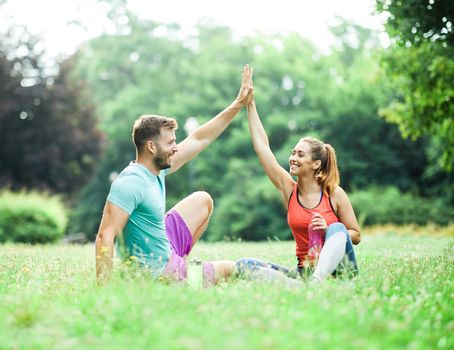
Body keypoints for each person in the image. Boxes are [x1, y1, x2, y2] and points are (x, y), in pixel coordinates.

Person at [95, 65, 253, 285]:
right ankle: (180, 278)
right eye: (170, 143)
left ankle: (181, 264)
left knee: (202, 200)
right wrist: (103, 290)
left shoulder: (156, 169)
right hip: (157, 276)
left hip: (165, 248)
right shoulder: (130, 183)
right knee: (229, 268)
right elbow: (105, 235)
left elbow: (199, 139)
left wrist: (237, 104)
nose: (176, 147)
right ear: (151, 146)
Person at [236, 69, 361, 283]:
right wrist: (250, 104)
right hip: (305, 271)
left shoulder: (334, 194)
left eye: (300, 154)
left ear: (316, 164)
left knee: (338, 227)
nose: (293, 157)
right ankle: (302, 285)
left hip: (339, 272)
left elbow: (356, 235)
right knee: (243, 265)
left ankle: (316, 282)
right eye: (293, 153)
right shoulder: (289, 190)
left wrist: (329, 231)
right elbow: (262, 148)